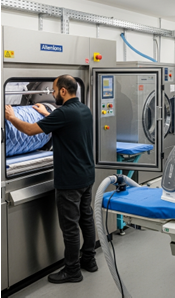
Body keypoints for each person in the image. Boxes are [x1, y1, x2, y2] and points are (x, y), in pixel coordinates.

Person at [5, 75, 97, 284]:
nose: (51, 94)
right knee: (86, 219)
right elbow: (64, 125)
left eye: (54, 90)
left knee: (70, 226)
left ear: (63, 91)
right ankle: (89, 260)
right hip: (86, 176)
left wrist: (11, 117)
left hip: (70, 181)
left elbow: (29, 130)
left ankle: (72, 270)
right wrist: (46, 113)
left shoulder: (64, 113)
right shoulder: (83, 109)